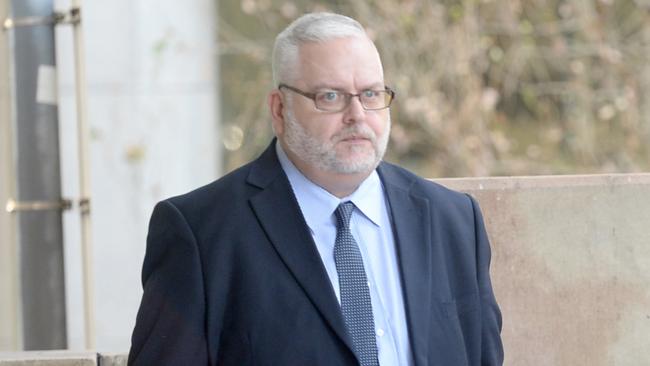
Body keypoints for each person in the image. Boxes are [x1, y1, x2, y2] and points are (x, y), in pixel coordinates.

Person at [128, 12, 503, 366]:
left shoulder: (453, 220)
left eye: (371, 94)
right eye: (330, 97)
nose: (357, 115)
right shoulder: (201, 234)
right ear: (279, 110)